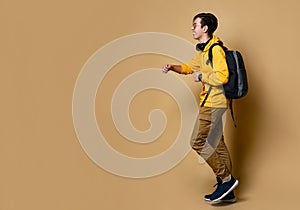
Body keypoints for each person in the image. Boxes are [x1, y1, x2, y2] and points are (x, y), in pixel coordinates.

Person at [162, 13, 239, 205]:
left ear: (205, 29)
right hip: (212, 102)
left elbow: (223, 77)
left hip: (214, 102)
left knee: (197, 142)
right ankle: (227, 191)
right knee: (216, 142)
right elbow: (189, 67)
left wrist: (202, 77)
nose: (192, 28)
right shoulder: (205, 51)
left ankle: (226, 180)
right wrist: (173, 67)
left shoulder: (216, 50)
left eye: (195, 25)